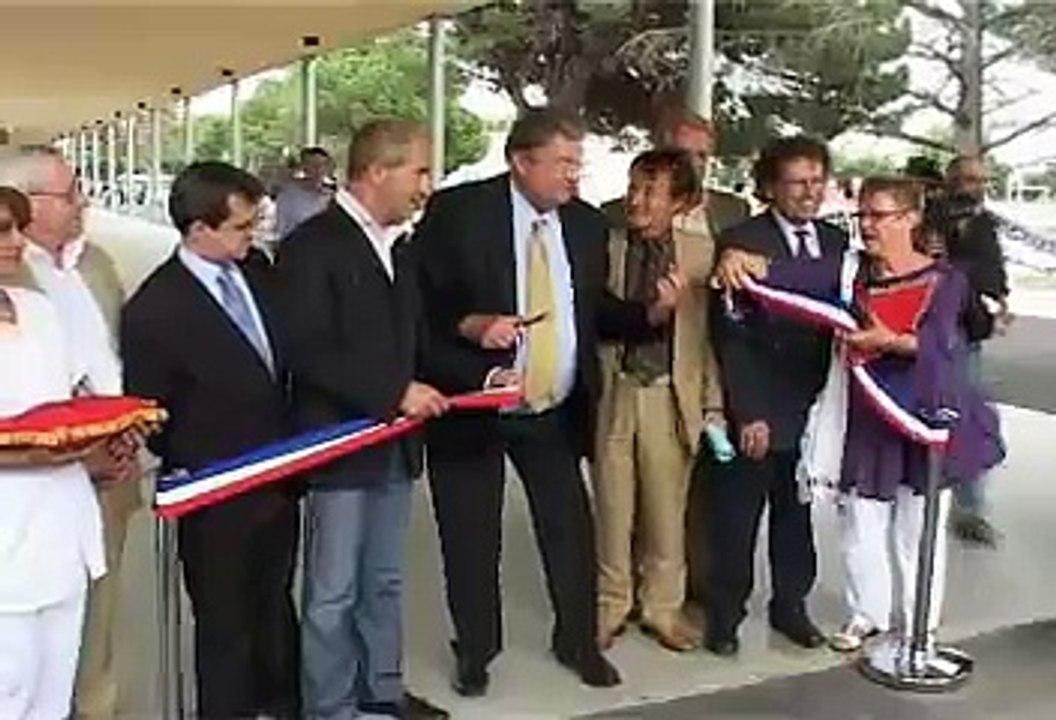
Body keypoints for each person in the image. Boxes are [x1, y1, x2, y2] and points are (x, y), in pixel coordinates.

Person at [416, 107, 683, 696]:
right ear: (520, 161)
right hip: (472, 406)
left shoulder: (584, 225)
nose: (573, 174)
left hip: (552, 412)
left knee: (569, 531)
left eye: (577, 162)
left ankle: (578, 642)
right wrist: (470, 325)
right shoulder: (459, 212)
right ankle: (476, 651)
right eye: (562, 163)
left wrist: (651, 314)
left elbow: (593, 311)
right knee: (470, 536)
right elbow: (419, 302)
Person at [713, 176, 1003, 655]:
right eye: (861, 215)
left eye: (878, 216)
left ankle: (918, 625)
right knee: (860, 519)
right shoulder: (849, 269)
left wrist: (890, 342)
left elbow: (942, 345)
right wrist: (738, 260)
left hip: (924, 417)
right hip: (866, 416)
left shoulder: (946, 280)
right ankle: (867, 613)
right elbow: (783, 275)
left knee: (919, 526)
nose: (866, 226)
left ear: (910, 218)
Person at [277, 120, 448, 720]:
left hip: (396, 447)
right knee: (333, 592)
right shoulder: (311, 246)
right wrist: (394, 392)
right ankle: (330, 707)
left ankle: (382, 692)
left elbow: (416, 340)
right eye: (419, 171)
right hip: (339, 448)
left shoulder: (400, 247)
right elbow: (306, 348)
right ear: (377, 171)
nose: (426, 185)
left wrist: (477, 372)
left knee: (385, 581)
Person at [122, 162, 300, 718]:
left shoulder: (258, 272)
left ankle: (284, 704)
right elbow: (152, 411)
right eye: (241, 227)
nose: (254, 236)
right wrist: (206, 461)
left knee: (275, 608)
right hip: (215, 494)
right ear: (199, 229)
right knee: (226, 626)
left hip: (280, 481)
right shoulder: (155, 308)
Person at [0, 148, 139, 720]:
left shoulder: (39, 310)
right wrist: (52, 452)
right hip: (9, 529)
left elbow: (79, 395)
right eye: (3, 230)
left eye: (16, 227)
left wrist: (110, 437)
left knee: (54, 691)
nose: (16, 241)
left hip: (66, 524)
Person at [704, 135, 847, 656]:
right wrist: (749, 412)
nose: (810, 193)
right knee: (737, 520)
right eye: (797, 183)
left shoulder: (838, 243)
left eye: (817, 181)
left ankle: (791, 607)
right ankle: (724, 618)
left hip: (816, 404)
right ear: (769, 187)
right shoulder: (741, 242)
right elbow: (731, 336)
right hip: (761, 406)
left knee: (797, 514)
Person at [593, 149, 724, 652]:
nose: (637, 200)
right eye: (633, 188)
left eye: (652, 192)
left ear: (682, 202)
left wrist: (712, 406)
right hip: (616, 390)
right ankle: (611, 604)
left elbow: (710, 340)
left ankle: (662, 608)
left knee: (666, 513)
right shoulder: (606, 246)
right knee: (612, 507)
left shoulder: (702, 255)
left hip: (670, 393)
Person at [941, 156, 1010, 547]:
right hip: (932, 332)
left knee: (969, 418)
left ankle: (969, 510)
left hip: (968, 332)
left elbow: (992, 268)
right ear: (950, 180)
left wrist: (1000, 300)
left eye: (982, 180)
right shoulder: (929, 219)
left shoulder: (983, 222)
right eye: (969, 179)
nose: (977, 187)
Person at [275, 146, 335, 240]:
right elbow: (281, 228)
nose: (318, 170)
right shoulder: (289, 194)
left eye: (322, 165)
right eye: (313, 165)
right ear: (304, 167)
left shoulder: (330, 197)